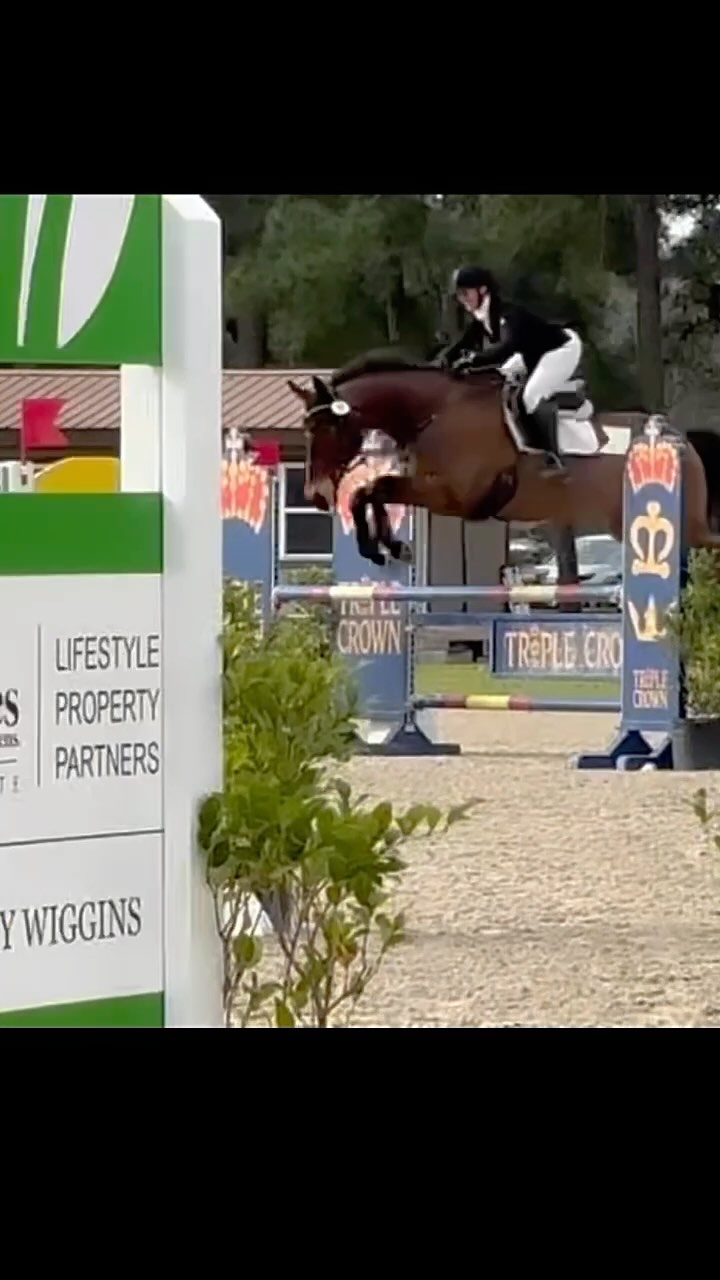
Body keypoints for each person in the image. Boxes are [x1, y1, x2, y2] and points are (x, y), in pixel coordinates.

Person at [441, 265, 584, 476]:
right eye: (459, 295)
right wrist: (442, 362)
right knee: (500, 383)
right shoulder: (483, 316)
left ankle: (554, 459)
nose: (463, 300)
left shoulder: (508, 314)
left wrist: (474, 360)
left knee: (530, 396)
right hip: (532, 352)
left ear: (482, 290)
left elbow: (506, 348)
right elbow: (462, 343)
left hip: (560, 350)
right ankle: (523, 446)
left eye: (465, 293)